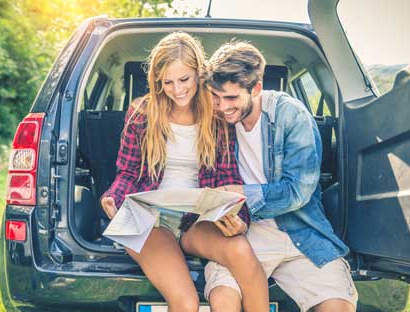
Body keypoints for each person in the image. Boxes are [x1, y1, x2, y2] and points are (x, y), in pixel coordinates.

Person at [100, 32, 269, 312]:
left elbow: (228, 178)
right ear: (158, 81)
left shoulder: (217, 116)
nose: (177, 89)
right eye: (168, 82)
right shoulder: (142, 113)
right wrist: (113, 197)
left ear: (199, 74)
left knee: (241, 250)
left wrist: (239, 218)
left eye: (184, 80)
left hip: (195, 219)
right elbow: (127, 173)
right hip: (148, 222)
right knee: (186, 303)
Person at [202, 41, 358, 312]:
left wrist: (242, 193)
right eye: (216, 97)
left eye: (231, 98)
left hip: (300, 233)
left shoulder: (291, 115)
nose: (221, 107)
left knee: (338, 307)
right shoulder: (215, 120)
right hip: (243, 234)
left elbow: (298, 191)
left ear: (257, 89)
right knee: (223, 300)